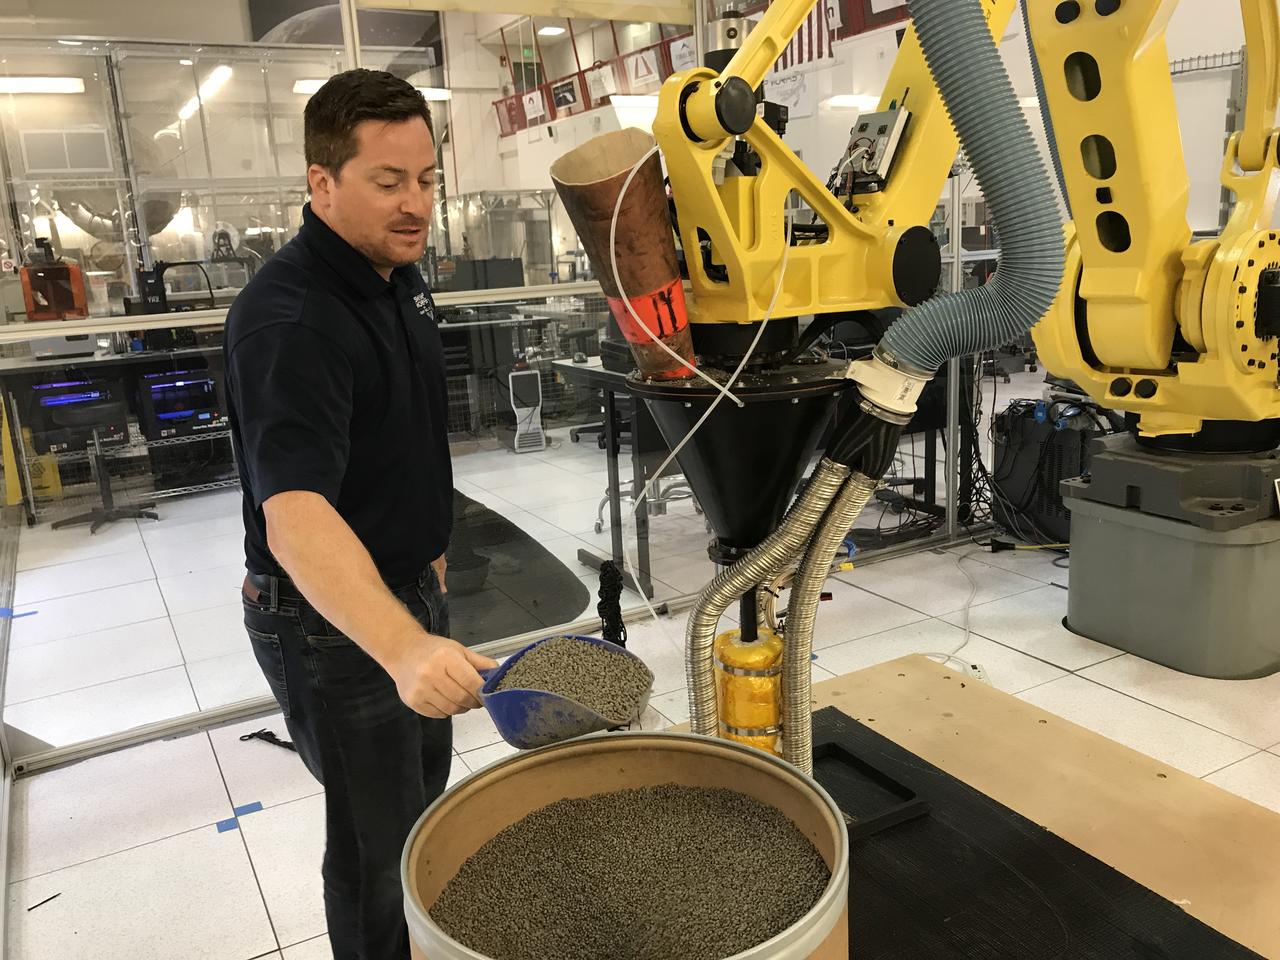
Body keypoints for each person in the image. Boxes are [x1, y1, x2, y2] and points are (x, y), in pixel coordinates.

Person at [224, 69, 496, 960]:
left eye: (426, 179)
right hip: (330, 623)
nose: (415, 203)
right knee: (376, 851)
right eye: (388, 182)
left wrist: (429, 558)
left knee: (420, 817)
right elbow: (295, 515)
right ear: (322, 182)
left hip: (406, 592)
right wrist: (404, 645)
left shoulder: (397, 277)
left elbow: (402, 431)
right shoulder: (293, 319)